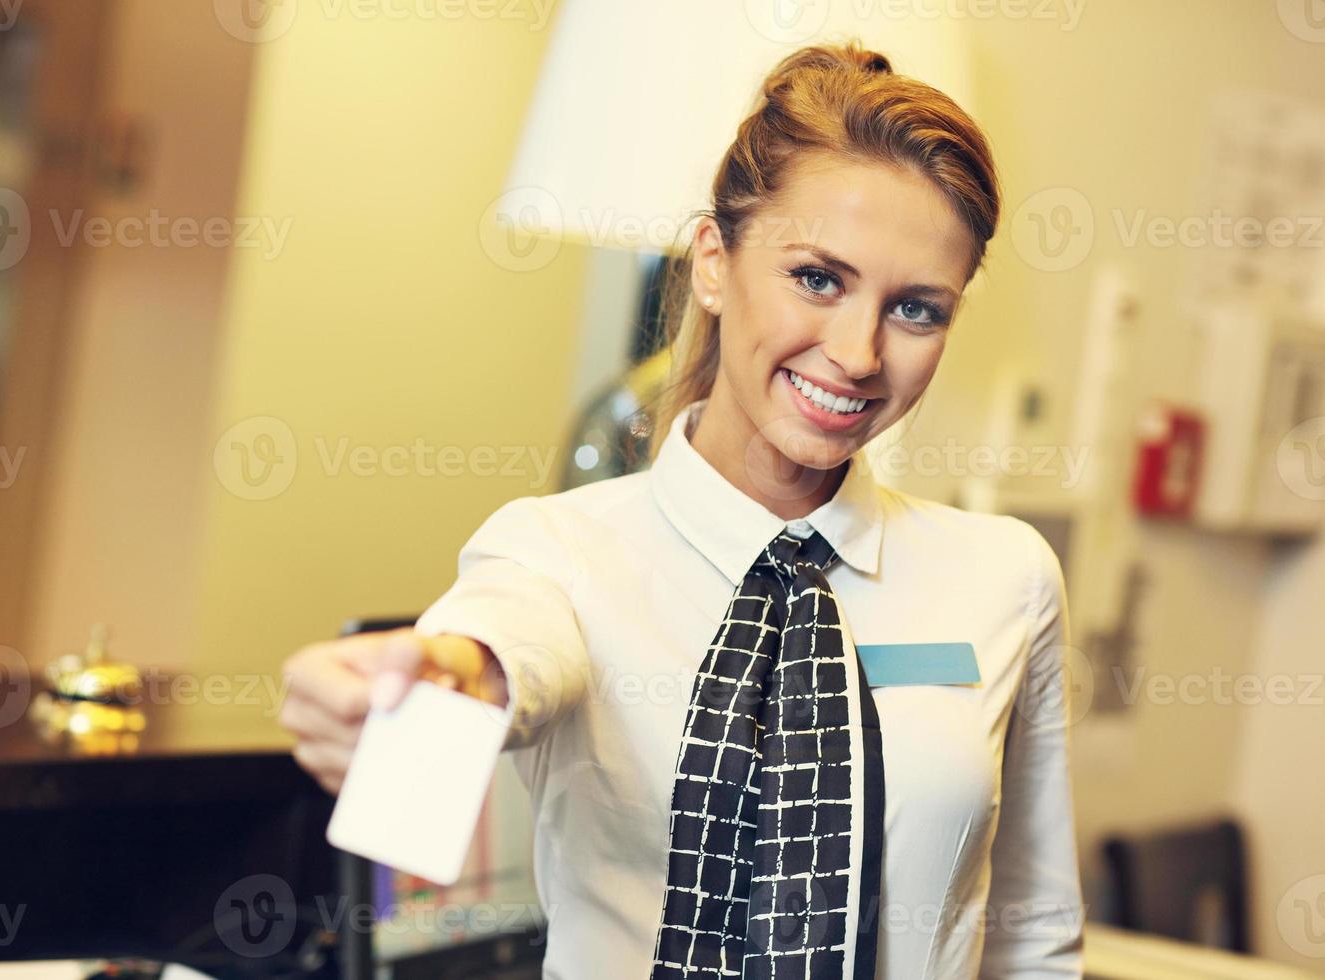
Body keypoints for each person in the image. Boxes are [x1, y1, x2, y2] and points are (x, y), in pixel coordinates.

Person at [281, 40, 1084, 980]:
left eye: (916, 309)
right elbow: (501, 653)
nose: (860, 353)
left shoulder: (1005, 579)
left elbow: (1031, 934)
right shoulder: (559, 554)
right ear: (713, 260)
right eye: (817, 278)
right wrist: (437, 687)